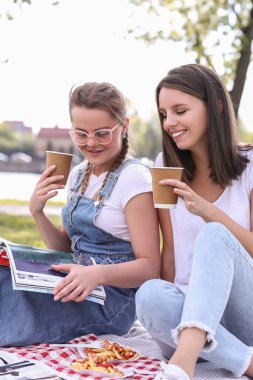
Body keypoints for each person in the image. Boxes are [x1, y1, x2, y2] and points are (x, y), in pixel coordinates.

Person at [0, 81, 160, 346]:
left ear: (124, 127)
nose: (90, 143)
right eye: (80, 133)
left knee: (11, 294)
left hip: (111, 301)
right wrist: (37, 212)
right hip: (74, 279)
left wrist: (95, 274)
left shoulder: (134, 179)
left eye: (102, 133)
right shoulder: (78, 174)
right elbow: (65, 246)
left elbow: (150, 267)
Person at [135, 63, 253, 380]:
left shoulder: (251, 166)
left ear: (214, 106)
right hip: (189, 314)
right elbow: (170, 252)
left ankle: (183, 365)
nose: (169, 123)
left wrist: (209, 211)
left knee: (215, 234)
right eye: (163, 114)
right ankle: (245, 362)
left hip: (246, 315)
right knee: (149, 295)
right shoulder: (165, 167)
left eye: (180, 110)